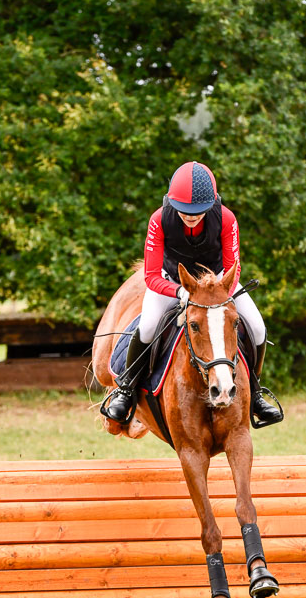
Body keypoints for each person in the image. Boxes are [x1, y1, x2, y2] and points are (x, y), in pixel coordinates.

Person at [106, 161, 282, 425]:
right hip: (172, 283)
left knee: (257, 327)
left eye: (197, 211)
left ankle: (256, 393)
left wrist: (217, 294)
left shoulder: (226, 219)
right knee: (149, 326)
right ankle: (126, 390)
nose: (190, 216)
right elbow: (152, 276)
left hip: (219, 285)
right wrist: (180, 292)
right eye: (184, 210)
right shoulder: (159, 220)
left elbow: (234, 266)